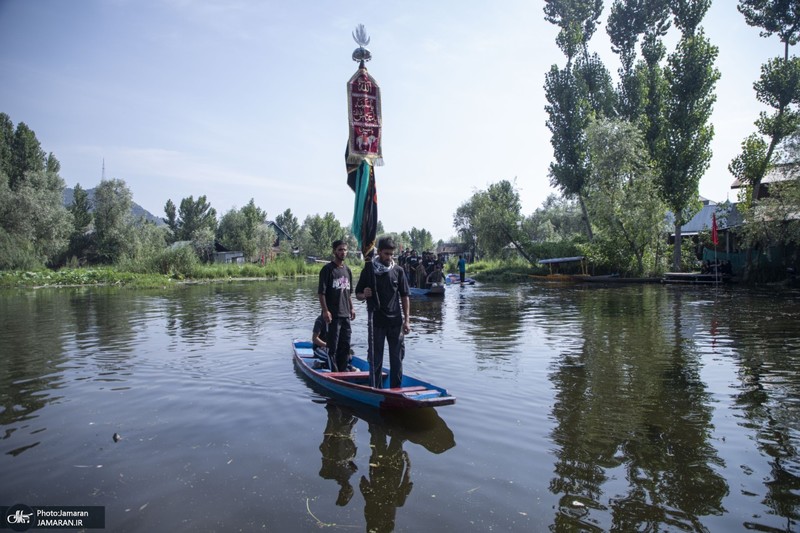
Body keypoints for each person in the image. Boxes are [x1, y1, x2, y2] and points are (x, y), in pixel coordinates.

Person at [355, 236, 411, 389]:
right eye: (386, 254)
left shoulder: (398, 271)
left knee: (397, 359)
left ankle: (396, 389)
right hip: (376, 322)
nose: (389, 257)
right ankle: (376, 389)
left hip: (395, 323)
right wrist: (364, 294)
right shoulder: (369, 270)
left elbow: (405, 296)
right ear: (379, 252)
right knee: (375, 358)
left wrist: (407, 320)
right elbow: (357, 294)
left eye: (392, 254)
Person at [318, 239, 356, 372]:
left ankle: (343, 371)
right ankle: (334, 373)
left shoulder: (348, 270)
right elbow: (321, 293)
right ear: (334, 251)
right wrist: (325, 311)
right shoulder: (327, 269)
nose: (343, 252)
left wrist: (352, 308)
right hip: (332, 315)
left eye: (345, 250)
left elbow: (348, 293)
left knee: (345, 345)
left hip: (345, 315)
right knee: (332, 346)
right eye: (340, 250)